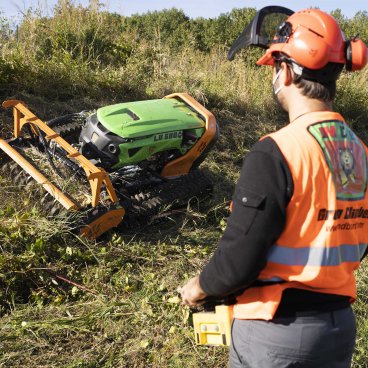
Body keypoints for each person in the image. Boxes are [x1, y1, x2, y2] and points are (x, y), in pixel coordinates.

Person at [179, 8, 368, 368]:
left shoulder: (277, 151)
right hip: (338, 329)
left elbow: (239, 259)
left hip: (276, 332)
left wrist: (199, 287)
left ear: (285, 71)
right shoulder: (360, 153)